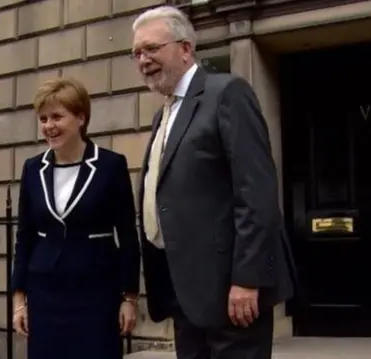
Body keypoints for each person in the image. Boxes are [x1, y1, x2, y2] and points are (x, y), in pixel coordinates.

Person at [133, 6, 297, 359]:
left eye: (151, 49)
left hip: (231, 292)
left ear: (186, 48)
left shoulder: (227, 93)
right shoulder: (163, 114)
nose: (142, 59)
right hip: (185, 293)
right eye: (137, 53)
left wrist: (247, 279)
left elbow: (256, 193)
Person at [10, 78, 141, 359]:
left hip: (96, 295)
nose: (49, 126)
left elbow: (129, 236)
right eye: (43, 118)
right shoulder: (33, 169)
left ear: (81, 117)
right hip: (45, 294)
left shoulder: (110, 166)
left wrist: (129, 297)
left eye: (57, 116)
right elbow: (25, 236)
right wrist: (19, 300)